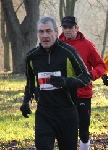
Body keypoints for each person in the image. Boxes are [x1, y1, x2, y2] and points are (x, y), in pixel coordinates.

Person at [20, 16, 92, 150]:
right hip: (44, 113)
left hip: (67, 113)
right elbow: (30, 83)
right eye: (41, 32)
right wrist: (26, 101)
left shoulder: (69, 52)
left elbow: (86, 77)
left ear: (56, 33)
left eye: (48, 31)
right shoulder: (32, 56)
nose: (45, 35)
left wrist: (66, 82)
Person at [59, 16, 106, 150]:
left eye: (70, 27)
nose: (67, 30)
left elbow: (101, 65)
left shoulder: (87, 45)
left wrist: (90, 75)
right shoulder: (57, 45)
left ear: (76, 28)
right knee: (66, 129)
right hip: (63, 93)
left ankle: (85, 146)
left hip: (83, 93)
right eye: (65, 27)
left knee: (83, 129)